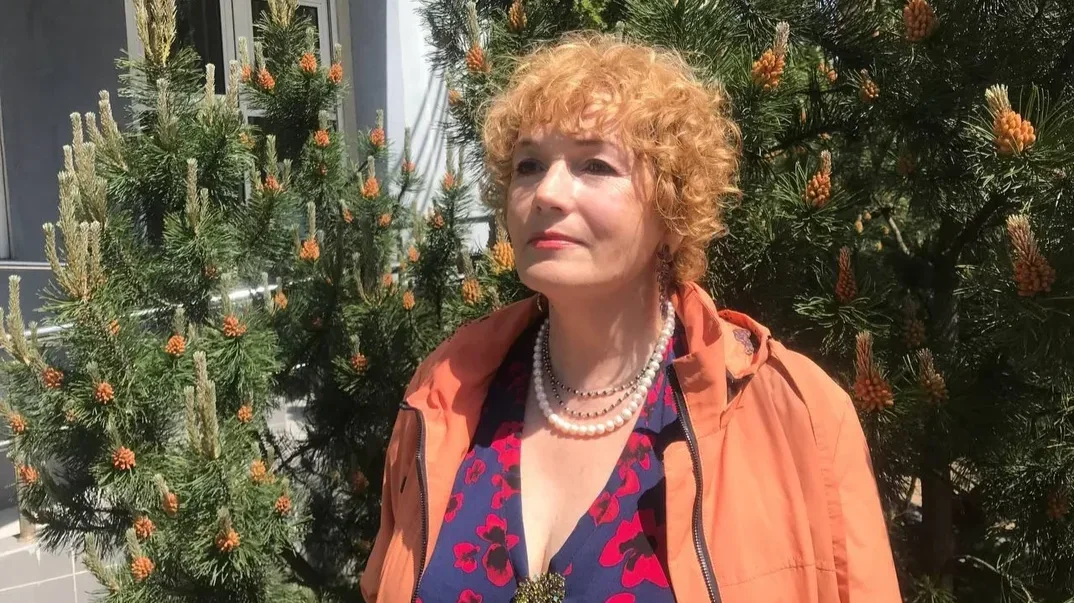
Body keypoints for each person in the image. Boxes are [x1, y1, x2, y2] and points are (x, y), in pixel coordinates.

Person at [359, 31, 900, 603]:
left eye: (594, 164)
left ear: (671, 210)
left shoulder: (797, 416)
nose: (547, 192)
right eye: (528, 165)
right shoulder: (444, 394)